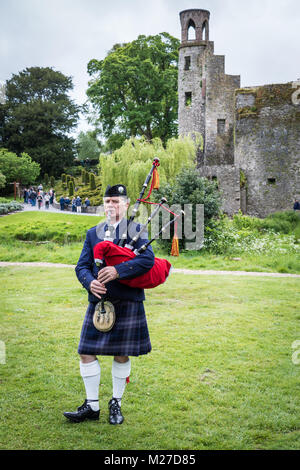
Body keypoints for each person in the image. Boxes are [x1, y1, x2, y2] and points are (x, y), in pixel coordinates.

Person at [63, 184, 154, 425]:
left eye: (116, 201)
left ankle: (116, 403)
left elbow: (148, 260)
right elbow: (81, 266)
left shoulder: (137, 229)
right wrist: (90, 282)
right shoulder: (93, 233)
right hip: (99, 303)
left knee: (121, 354)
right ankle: (92, 406)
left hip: (127, 300)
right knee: (85, 352)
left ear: (126, 204)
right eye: (107, 201)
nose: (110, 206)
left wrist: (117, 270)